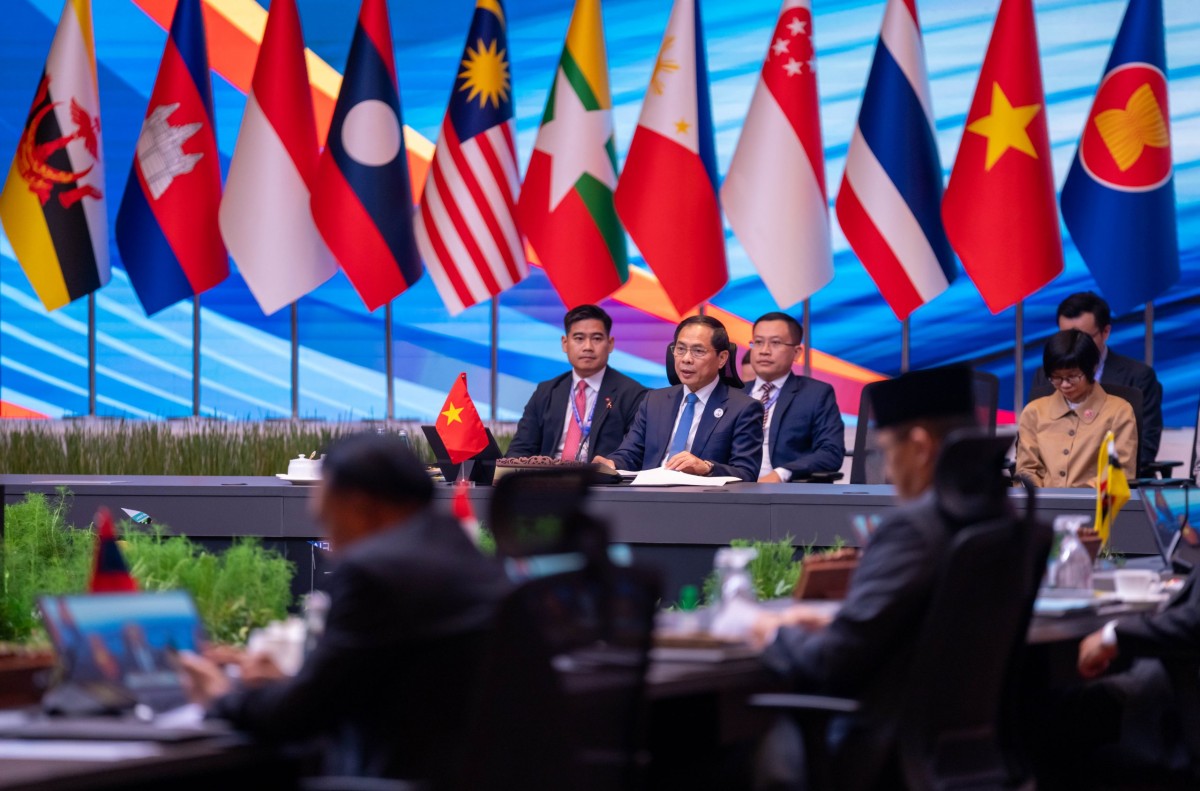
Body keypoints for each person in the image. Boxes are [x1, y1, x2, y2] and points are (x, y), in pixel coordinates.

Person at [179, 433, 506, 787]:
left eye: (328, 522)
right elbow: (390, 686)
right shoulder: (463, 554)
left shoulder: (374, 572)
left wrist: (222, 695)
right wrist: (289, 684)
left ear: (361, 507)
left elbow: (297, 717)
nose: (329, 546)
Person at [749, 366, 978, 789]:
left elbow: (833, 660)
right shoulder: (996, 522)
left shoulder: (914, 530)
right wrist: (837, 620)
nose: (888, 470)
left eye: (888, 451)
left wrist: (772, 632)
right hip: (957, 752)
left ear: (920, 447)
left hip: (875, 753)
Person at [593, 315, 763, 481]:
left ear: (722, 358)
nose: (686, 359)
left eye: (698, 351)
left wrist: (706, 468)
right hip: (649, 494)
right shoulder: (654, 401)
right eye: (680, 349)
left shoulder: (743, 408)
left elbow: (746, 473)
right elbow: (630, 453)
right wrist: (612, 463)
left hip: (703, 497)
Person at [1029, 291, 1162, 475]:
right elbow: (1032, 449)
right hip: (1053, 484)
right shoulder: (1044, 375)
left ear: (1105, 332)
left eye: (1083, 338)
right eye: (1065, 336)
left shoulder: (1138, 377)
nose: (1073, 347)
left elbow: (1145, 450)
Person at [506, 304, 647, 461]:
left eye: (597, 339)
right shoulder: (546, 392)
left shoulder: (634, 395)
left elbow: (635, 454)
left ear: (610, 344)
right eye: (579, 338)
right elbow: (520, 449)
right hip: (548, 474)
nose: (588, 347)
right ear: (565, 343)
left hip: (599, 475)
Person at [1016, 329, 1137, 488]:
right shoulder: (1034, 412)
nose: (1065, 385)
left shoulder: (1119, 412)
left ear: (1092, 368)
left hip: (1095, 501)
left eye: (1073, 377)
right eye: (1056, 378)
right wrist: (1039, 497)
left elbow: (1119, 472)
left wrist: (1079, 497)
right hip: (1042, 501)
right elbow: (1026, 470)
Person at [745, 311, 844, 482]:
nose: (764, 351)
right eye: (758, 342)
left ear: (797, 352)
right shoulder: (732, 394)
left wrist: (781, 474)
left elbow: (831, 452)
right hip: (732, 488)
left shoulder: (816, 394)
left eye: (775, 343)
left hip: (783, 490)